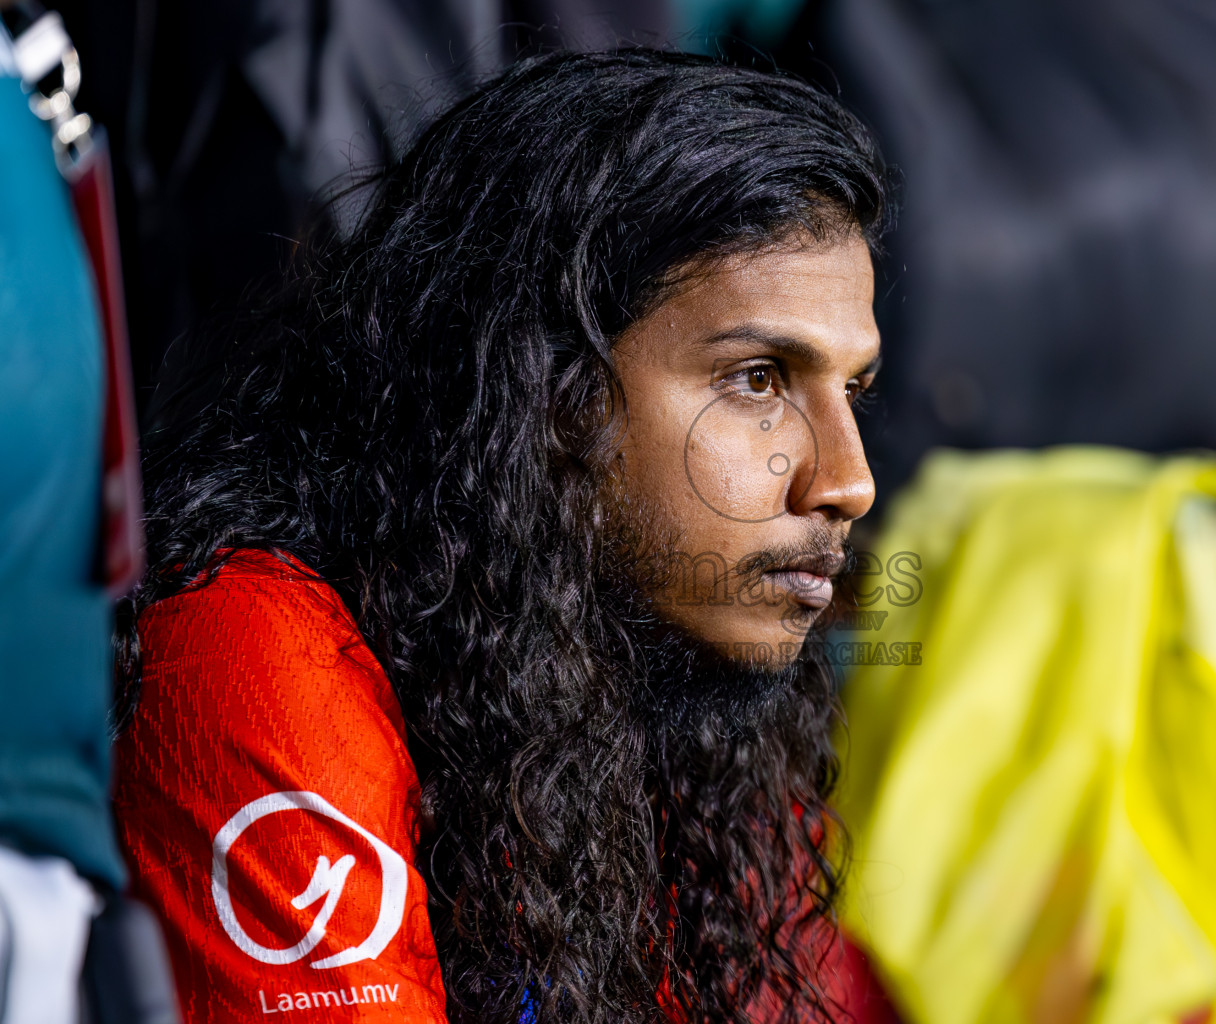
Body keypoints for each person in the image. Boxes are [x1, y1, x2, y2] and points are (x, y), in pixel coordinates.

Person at [113, 48, 889, 1024]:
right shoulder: (257, 656)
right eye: (760, 379)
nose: (848, 480)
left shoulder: (685, 695)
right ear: (546, 388)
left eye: (853, 389)